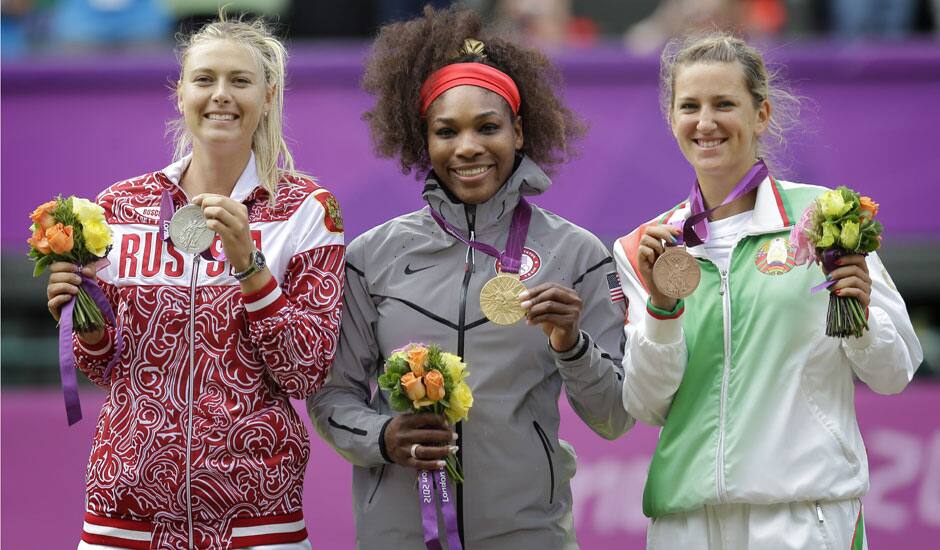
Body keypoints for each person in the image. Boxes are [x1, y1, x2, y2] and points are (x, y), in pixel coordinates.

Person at [307, 5, 632, 548]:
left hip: (528, 533)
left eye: (488, 127)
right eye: (446, 131)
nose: (468, 148)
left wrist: (572, 345)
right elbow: (332, 396)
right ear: (424, 141)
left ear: (519, 131)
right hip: (400, 535)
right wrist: (383, 436)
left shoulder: (576, 253)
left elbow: (615, 416)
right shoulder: (371, 256)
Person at [43, 15, 344, 550]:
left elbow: (307, 370)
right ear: (179, 92)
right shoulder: (119, 207)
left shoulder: (308, 211)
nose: (220, 95)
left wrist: (251, 269)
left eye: (240, 81)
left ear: (269, 95)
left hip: (257, 515)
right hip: (124, 509)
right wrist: (82, 320)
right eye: (204, 79)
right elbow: (104, 367)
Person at [613, 33, 923, 549]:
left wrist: (863, 318)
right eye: (689, 106)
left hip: (803, 513)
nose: (705, 122)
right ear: (671, 120)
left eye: (724, 104)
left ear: (761, 114)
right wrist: (662, 310)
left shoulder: (828, 219)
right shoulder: (644, 247)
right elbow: (647, 404)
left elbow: (893, 374)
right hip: (687, 522)